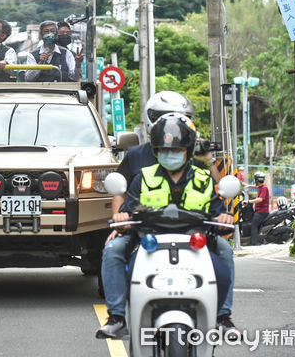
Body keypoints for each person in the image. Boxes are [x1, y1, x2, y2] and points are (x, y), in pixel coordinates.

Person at [96, 113, 234, 339]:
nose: (170, 154)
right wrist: (121, 221)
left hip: (195, 242)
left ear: (188, 151)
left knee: (226, 251)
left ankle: (223, 318)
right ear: (156, 151)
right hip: (148, 241)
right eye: (164, 150)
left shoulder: (204, 178)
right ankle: (117, 318)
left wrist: (225, 219)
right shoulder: (143, 177)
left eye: (176, 150)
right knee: (112, 250)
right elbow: (128, 210)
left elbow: (218, 214)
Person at [244, 171, 270, 245]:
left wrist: (249, 201)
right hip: (260, 211)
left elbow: (260, 199)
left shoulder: (264, 188)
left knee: (253, 225)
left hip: (262, 212)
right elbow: (257, 187)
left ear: (256, 180)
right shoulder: (262, 187)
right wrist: (248, 186)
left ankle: (254, 242)